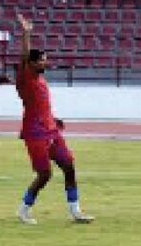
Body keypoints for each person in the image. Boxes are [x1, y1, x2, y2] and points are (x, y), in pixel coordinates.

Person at [13, 14, 92, 224]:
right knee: (44, 174)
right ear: (31, 63)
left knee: (69, 166)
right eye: (41, 60)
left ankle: (76, 211)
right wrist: (26, 33)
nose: (45, 62)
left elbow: (40, 105)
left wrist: (53, 119)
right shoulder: (25, 78)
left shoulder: (40, 80)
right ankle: (24, 209)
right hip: (35, 133)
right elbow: (24, 56)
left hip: (51, 130)